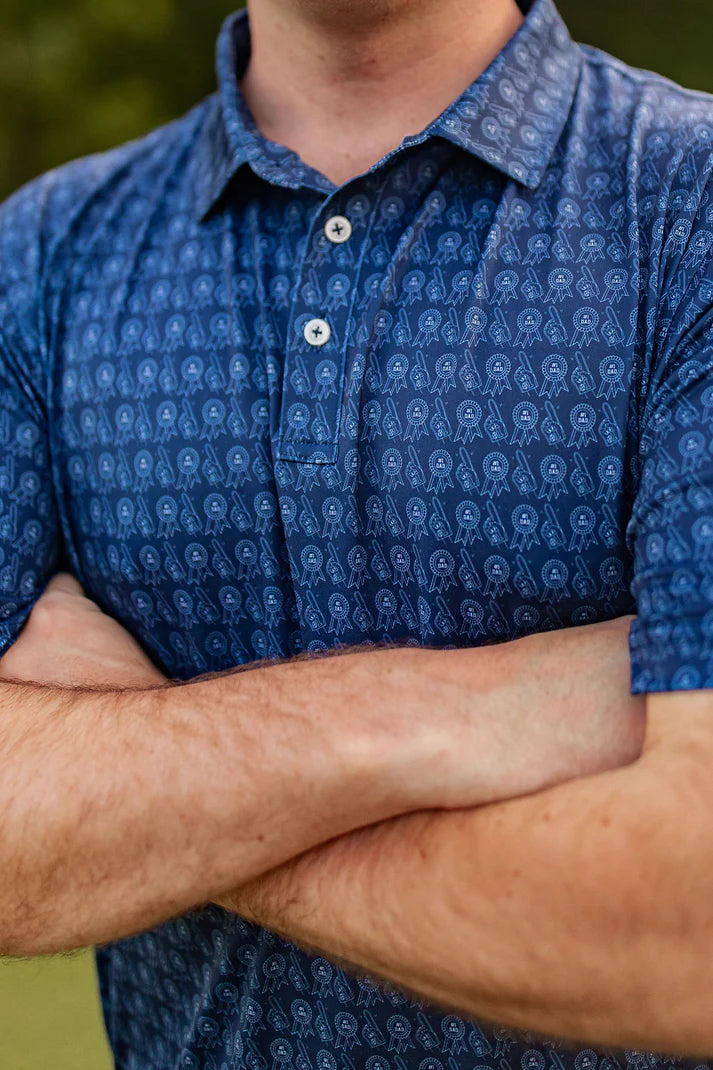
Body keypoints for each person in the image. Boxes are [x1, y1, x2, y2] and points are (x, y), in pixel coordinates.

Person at [0, 0, 712, 1064]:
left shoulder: (688, 204)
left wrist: (149, 800)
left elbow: (689, 926)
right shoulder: (38, 258)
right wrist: (470, 708)